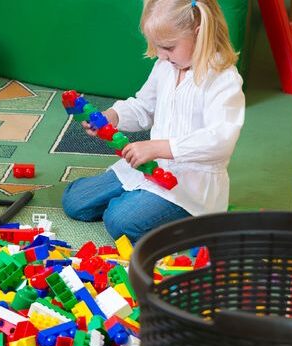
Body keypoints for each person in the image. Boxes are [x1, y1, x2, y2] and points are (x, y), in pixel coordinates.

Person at [62, 0, 245, 243]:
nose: (160, 55)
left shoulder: (223, 79)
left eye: (168, 47)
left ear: (199, 33)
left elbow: (220, 141)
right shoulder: (165, 66)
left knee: (119, 221)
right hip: (148, 168)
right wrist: (113, 116)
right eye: (157, 46)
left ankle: (195, 221)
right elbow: (144, 107)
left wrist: (158, 147)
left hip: (189, 185)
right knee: (75, 201)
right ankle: (140, 202)